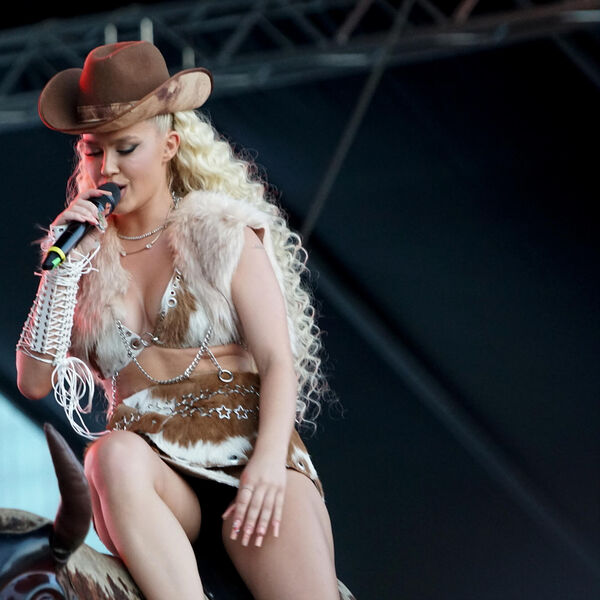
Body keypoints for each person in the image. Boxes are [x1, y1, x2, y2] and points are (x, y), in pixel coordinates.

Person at [15, 41, 354, 600]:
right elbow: (32, 382)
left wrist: (271, 465)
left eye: (126, 148)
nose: (108, 168)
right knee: (108, 454)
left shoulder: (219, 234)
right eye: (93, 152)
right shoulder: (84, 265)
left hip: (250, 463)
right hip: (157, 481)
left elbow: (277, 361)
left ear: (169, 146)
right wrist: (61, 270)